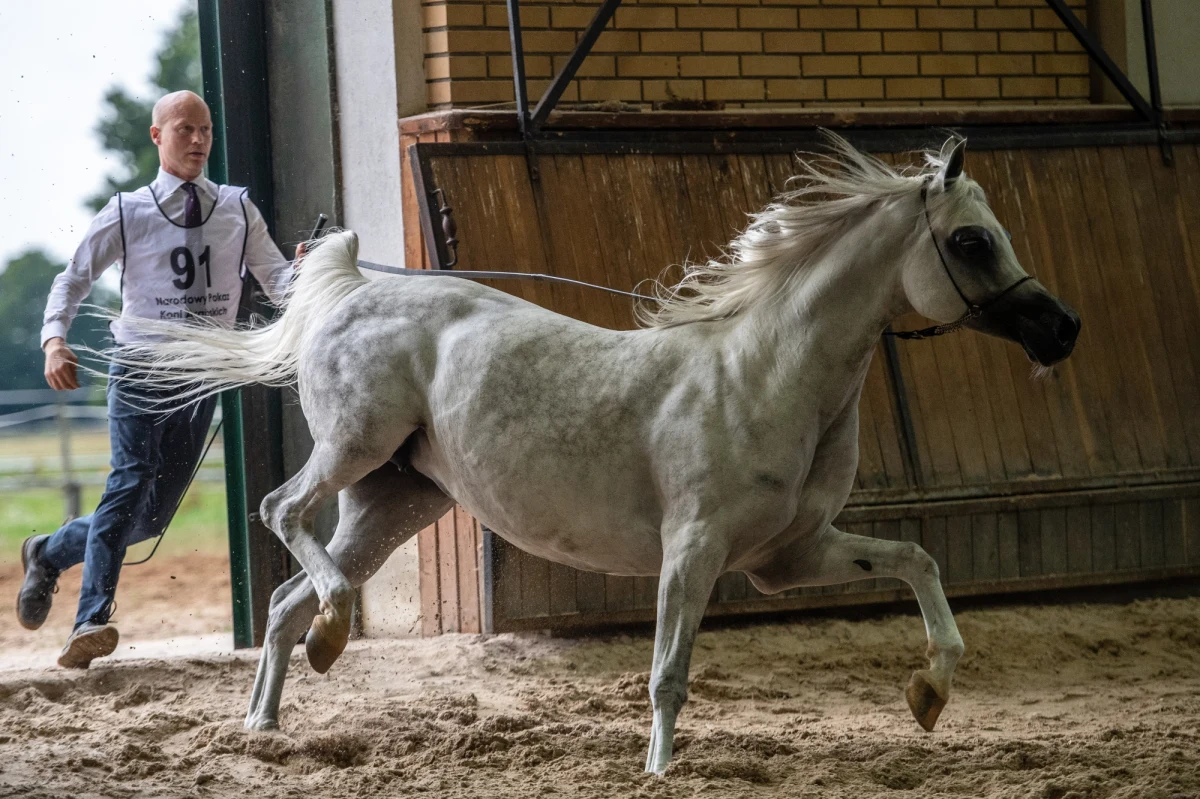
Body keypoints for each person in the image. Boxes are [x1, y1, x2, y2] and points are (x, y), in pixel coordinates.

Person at [18, 90, 302, 669]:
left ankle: (46, 553)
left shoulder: (237, 208)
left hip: (199, 377)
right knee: (129, 484)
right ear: (157, 136)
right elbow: (72, 279)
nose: (198, 140)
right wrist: (54, 340)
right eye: (184, 129)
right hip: (139, 368)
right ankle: (90, 620)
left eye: (206, 130)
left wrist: (306, 276)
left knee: (147, 519)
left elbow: (278, 282)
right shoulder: (128, 211)